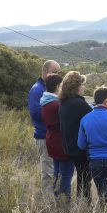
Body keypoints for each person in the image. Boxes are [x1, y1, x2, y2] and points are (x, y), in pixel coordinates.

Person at [28, 60, 61, 201]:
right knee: (47, 171)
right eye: (54, 72)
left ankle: (57, 199)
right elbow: (35, 113)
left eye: (59, 72)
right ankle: (49, 204)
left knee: (55, 171)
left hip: (54, 137)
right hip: (43, 136)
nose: (57, 75)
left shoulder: (51, 88)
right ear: (45, 71)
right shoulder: (37, 90)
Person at [58, 71, 94, 201]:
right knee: (85, 177)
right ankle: (84, 203)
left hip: (69, 145)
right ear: (76, 86)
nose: (83, 87)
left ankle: (81, 203)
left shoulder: (64, 102)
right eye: (82, 85)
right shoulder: (78, 103)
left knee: (81, 175)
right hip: (79, 147)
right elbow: (94, 117)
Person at [40, 73, 75, 203]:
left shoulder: (45, 102)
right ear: (57, 86)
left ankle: (57, 199)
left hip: (52, 141)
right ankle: (65, 203)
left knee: (57, 173)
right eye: (62, 85)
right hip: (61, 142)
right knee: (66, 174)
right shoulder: (56, 104)